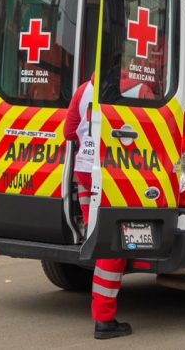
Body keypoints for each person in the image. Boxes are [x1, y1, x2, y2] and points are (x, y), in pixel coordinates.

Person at [64, 74, 132, 340]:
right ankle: (104, 320)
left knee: (98, 237)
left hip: (84, 171)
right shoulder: (135, 88)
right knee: (112, 247)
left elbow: (69, 132)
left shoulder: (83, 90)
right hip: (113, 172)